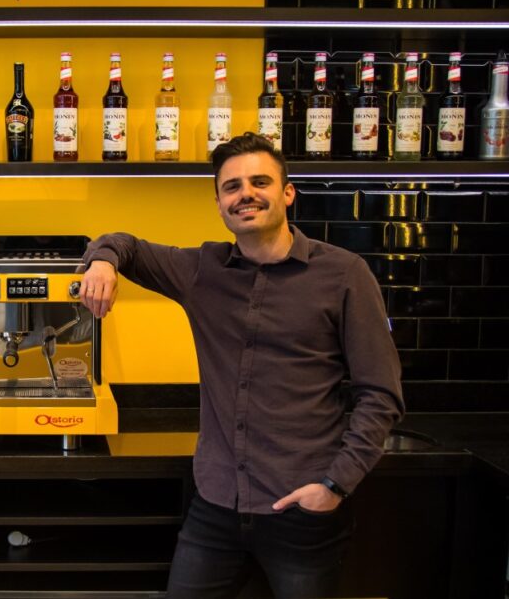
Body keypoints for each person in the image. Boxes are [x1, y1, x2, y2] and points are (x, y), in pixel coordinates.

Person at [80, 133, 404, 598]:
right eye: (231, 186)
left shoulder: (344, 274)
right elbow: (121, 243)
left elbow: (381, 393)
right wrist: (103, 263)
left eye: (259, 181)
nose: (245, 193)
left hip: (303, 511)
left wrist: (334, 484)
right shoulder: (202, 271)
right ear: (219, 203)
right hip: (215, 506)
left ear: (287, 192)